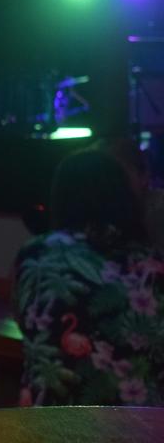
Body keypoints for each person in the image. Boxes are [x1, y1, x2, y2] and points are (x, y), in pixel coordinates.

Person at [15, 147, 164, 408]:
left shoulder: (38, 252)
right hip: (140, 421)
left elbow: (26, 320)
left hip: (48, 419)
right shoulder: (151, 263)